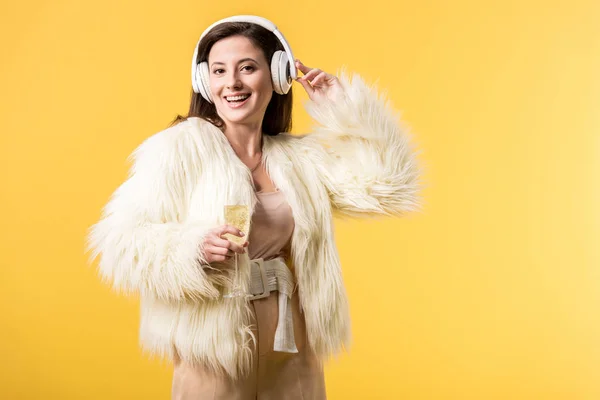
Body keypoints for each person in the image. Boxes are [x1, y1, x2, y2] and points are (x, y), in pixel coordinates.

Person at [87, 15, 421, 400]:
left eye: (247, 67)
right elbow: (119, 240)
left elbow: (389, 187)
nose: (232, 83)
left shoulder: (299, 160)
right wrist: (192, 248)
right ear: (205, 81)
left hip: (292, 342)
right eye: (219, 70)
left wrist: (344, 107)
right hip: (215, 348)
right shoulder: (180, 150)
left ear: (277, 76)